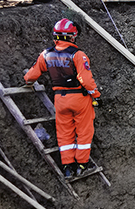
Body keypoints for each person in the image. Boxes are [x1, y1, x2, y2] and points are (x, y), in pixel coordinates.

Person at [24, 18, 102, 178]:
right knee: (84, 132)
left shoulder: (46, 55)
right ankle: (81, 164)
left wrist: (29, 82)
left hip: (60, 100)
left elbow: (30, 77)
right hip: (79, 98)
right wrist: (96, 95)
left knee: (64, 133)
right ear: (72, 37)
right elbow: (86, 80)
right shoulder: (78, 55)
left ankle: (67, 167)